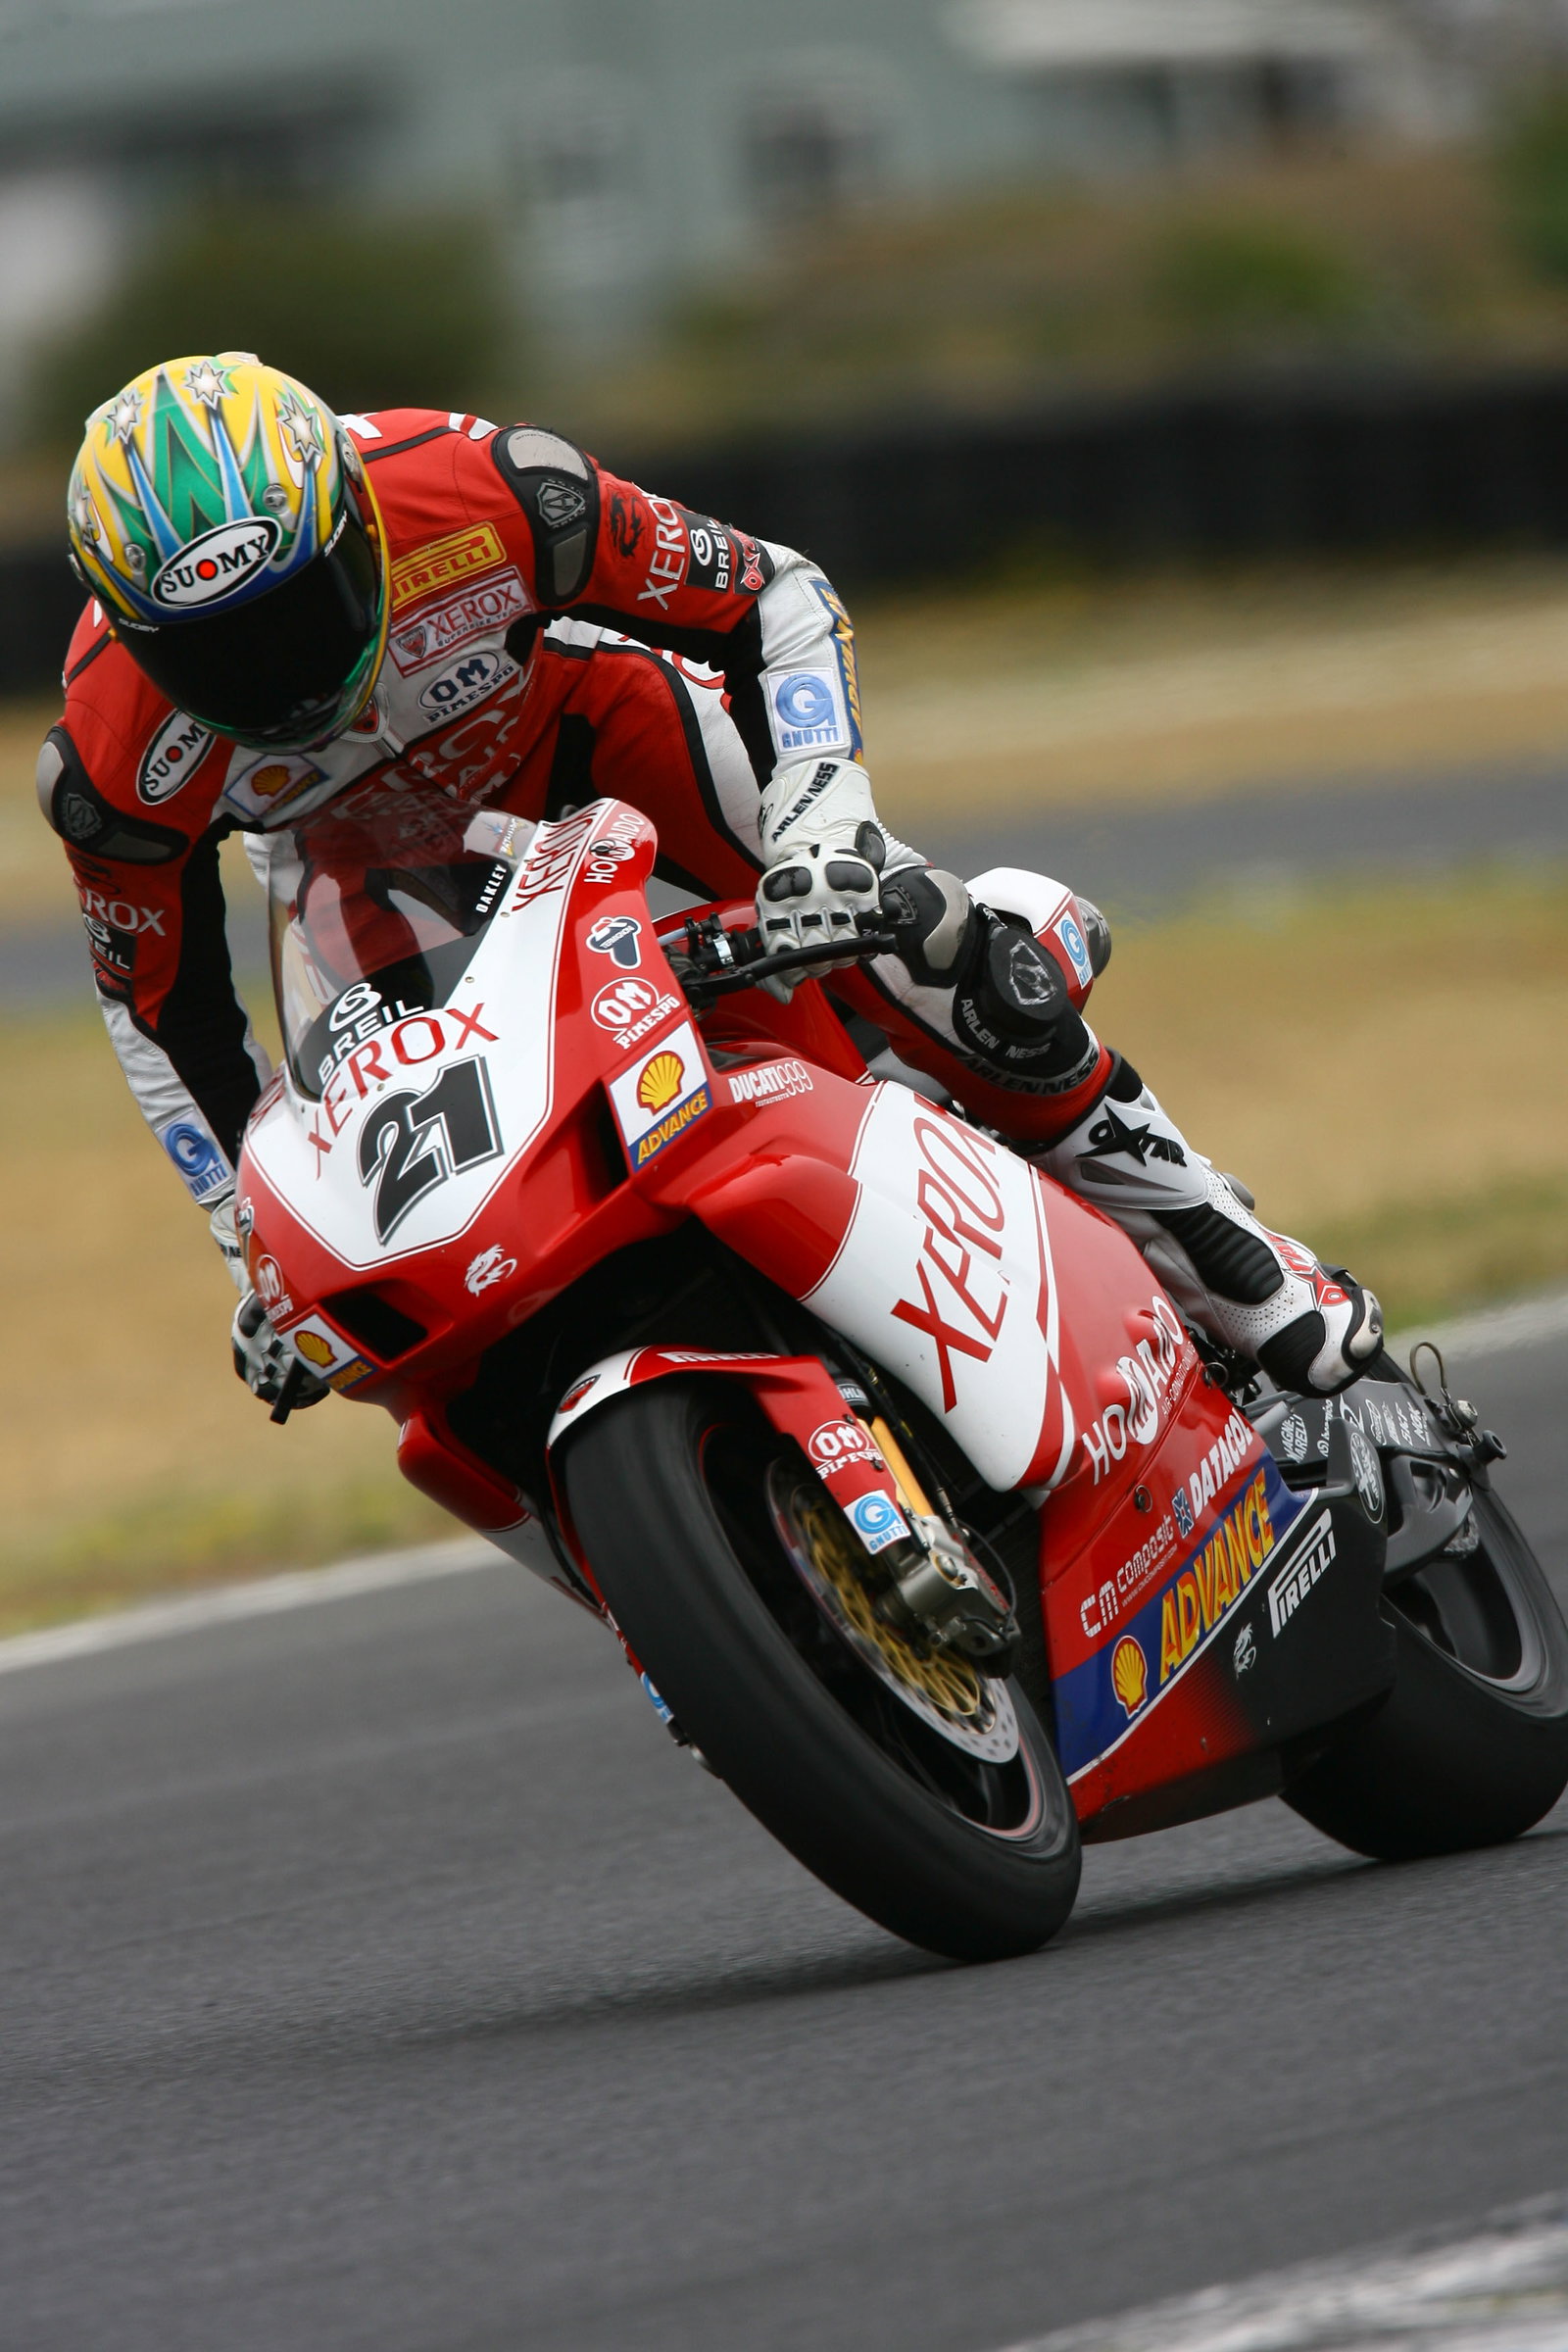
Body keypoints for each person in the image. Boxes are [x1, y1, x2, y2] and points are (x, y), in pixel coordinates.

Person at [45, 353, 1381, 1414]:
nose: (276, 673)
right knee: (397, 1221)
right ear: (133, 631)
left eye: (296, 608)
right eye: (219, 651)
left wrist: (825, 826)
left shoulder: (490, 490)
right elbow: (158, 1014)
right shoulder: (109, 762)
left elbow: (773, 595)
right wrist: (251, 1244)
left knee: (919, 946)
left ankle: (1229, 1255)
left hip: (609, 750)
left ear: (352, 522)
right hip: (379, 887)